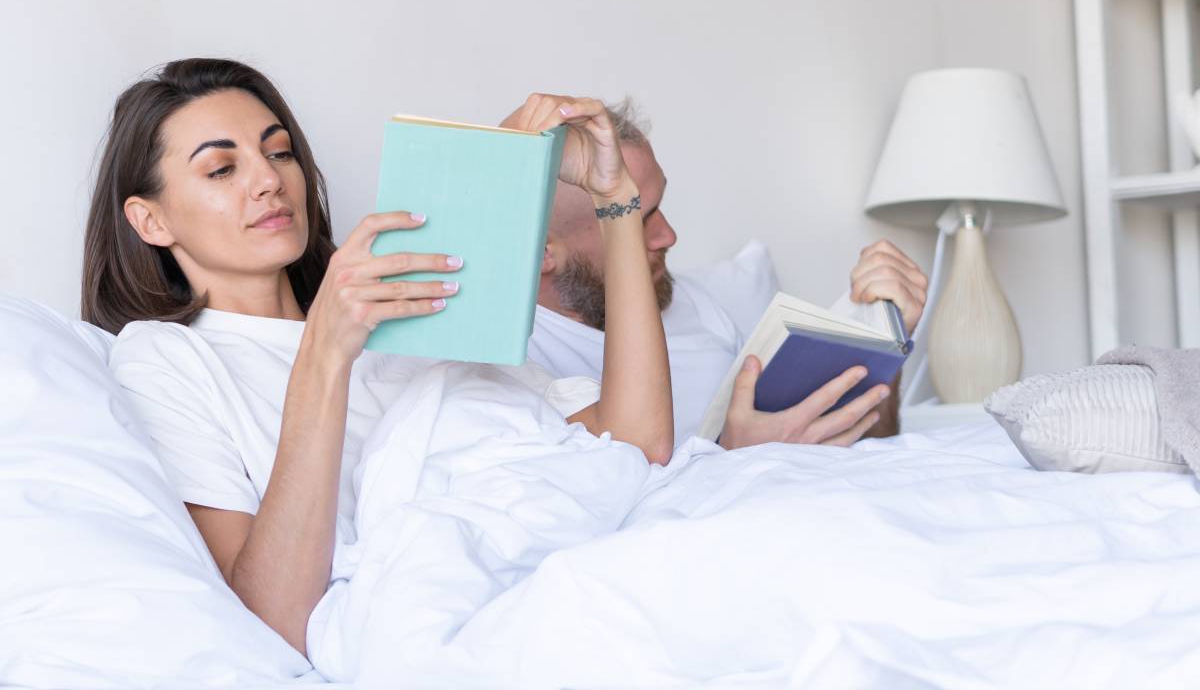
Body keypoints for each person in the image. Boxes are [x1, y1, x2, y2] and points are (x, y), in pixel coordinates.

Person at [83, 58, 672, 656]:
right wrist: (326, 350)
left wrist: (615, 200)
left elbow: (636, 443)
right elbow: (273, 618)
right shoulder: (166, 360)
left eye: (279, 153)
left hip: (582, 556)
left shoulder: (405, 302)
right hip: (460, 615)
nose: (267, 180)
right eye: (221, 168)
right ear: (150, 220)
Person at [511, 95, 929, 449]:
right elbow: (611, 487)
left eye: (660, 208)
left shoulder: (692, 303)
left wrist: (883, 343)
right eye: (637, 219)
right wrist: (733, 457)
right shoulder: (519, 361)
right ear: (544, 249)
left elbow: (869, 445)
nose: (668, 236)